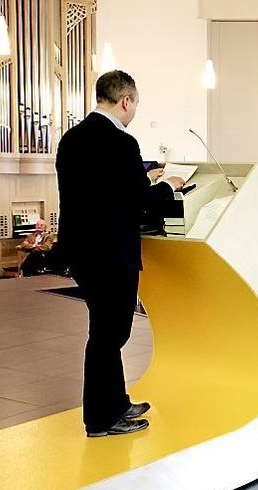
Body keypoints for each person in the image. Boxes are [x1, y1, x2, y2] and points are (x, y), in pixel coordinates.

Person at [56, 70, 185, 437]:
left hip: (82, 251)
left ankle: (116, 401)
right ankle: (100, 419)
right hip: (112, 252)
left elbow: (100, 194)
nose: (134, 111)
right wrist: (168, 187)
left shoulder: (72, 139)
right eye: (135, 104)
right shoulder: (121, 143)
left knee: (105, 332)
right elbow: (142, 203)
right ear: (126, 100)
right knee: (109, 336)